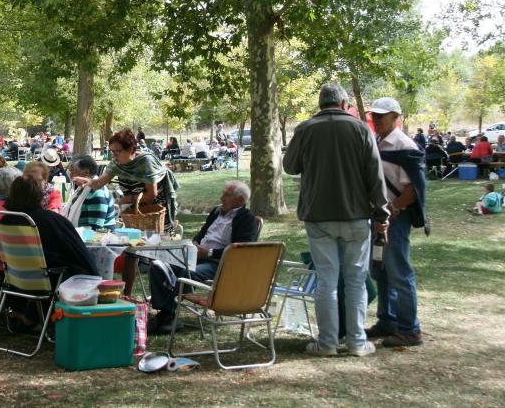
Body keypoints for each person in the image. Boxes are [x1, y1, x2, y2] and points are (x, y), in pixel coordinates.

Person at [283, 83, 389, 357]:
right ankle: (356, 342)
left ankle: (328, 343)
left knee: (326, 281)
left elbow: (289, 166)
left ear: (320, 104)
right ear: (343, 104)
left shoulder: (305, 129)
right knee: (355, 280)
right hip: (356, 215)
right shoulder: (360, 128)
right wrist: (382, 214)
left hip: (319, 216)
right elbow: (375, 177)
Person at [147, 181, 257, 334]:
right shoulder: (216, 212)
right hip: (197, 256)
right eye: (223, 193)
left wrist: (210, 253)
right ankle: (164, 312)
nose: (221, 198)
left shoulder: (247, 219)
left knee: (187, 272)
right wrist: (193, 245)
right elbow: (202, 234)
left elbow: (241, 250)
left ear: (240, 201)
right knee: (158, 264)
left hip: (220, 263)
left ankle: (166, 314)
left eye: (226, 195)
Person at [367, 97, 427, 348]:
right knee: (381, 271)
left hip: (395, 218)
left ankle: (409, 329)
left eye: (382, 115)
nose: (377, 119)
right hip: (380, 216)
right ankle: (388, 320)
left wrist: (392, 210)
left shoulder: (404, 145)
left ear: (395, 117)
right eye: (374, 115)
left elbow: (413, 188)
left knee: (400, 272)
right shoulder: (379, 142)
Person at [75, 129, 178, 233]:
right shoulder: (116, 164)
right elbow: (98, 183)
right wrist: (86, 181)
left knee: (154, 241)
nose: (114, 155)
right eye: (112, 151)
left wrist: (128, 199)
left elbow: (152, 194)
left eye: (117, 151)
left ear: (131, 149)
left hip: (154, 212)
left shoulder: (145, 162)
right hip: (135, 212)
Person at [2, 176, 98, 278]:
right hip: (50, 279)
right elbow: (79, 253)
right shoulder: (50, 220)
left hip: (16, 278)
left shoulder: (5, 221)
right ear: (39, 194)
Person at [62, 155, 117, 230]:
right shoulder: (81, 189)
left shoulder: (97, 193)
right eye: (70, 171)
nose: (70, 175)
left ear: (86, 173)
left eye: (73, 171)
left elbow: (95, 229)